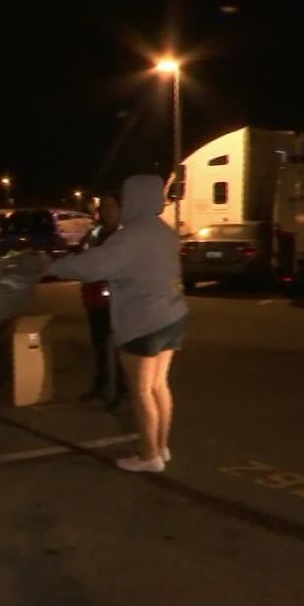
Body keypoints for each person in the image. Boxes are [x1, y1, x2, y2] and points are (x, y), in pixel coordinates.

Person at [49, 174, 188, 473]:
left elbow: (93, 265)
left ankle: (149, 455)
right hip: (172, 315)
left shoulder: (131, 236)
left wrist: (53, 267)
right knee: (159, 385)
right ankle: (161, 447)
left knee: (140, 391)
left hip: (144, 320)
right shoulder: (164, 232)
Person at [78, 192, 129, 409]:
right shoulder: (94, 234)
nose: (106, 212)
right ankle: (100, 388)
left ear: (120, 210)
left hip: (120, 302)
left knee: (120, 351)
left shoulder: (127, 236)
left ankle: (123, 392)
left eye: (111, 207)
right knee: (99, 346)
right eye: (104, 208)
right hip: (95, 300)